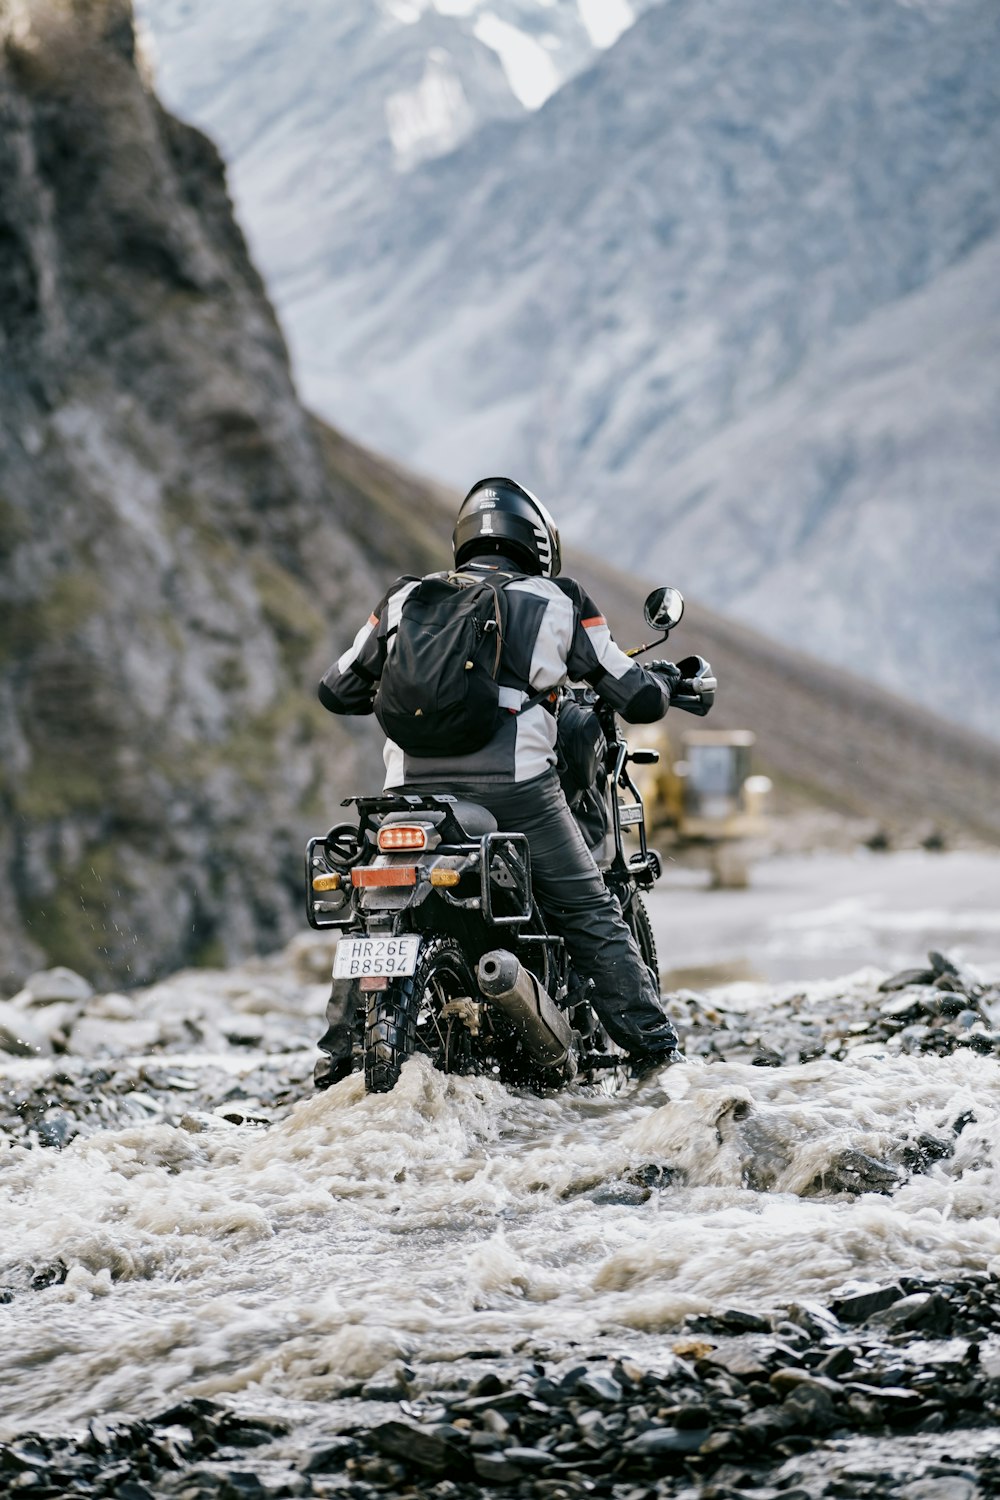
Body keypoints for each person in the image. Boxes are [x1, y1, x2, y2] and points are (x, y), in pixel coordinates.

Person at [314, 477, 681, 1086]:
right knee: (591, 913)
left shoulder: (406, 599)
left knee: (368, 916)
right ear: (537, 542)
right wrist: (664, 682)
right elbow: (636, 697)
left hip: (410, 797)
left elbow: (337, 688)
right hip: (517, 795)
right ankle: (658, 1061)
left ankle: (335, 1068)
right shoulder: (558, 600)